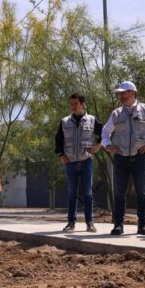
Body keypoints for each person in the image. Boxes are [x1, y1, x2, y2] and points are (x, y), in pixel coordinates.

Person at [101, 81, 145, 236]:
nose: (120, 96)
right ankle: (118, 225)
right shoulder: (116, 113)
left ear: (132, 93)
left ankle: (142, 226)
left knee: (141, 192)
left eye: (123, 93)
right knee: (119, 193)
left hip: (139, 157)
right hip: (121, 158)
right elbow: (105, 132)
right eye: (119, 93)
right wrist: (108, 145)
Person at [55, 93, 103, 233]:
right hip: (70, 162)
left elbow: (105, 134)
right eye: (71, 104)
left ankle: (90, 223)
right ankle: (71, 223)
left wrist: (97, 146)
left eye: (76, 103)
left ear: (82, 104)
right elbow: (58, 140)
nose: (73, 106)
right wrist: (61, 155)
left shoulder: (92, 120)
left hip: (86, 161)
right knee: (71, 193)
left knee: (88, 193)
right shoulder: (64, 122)